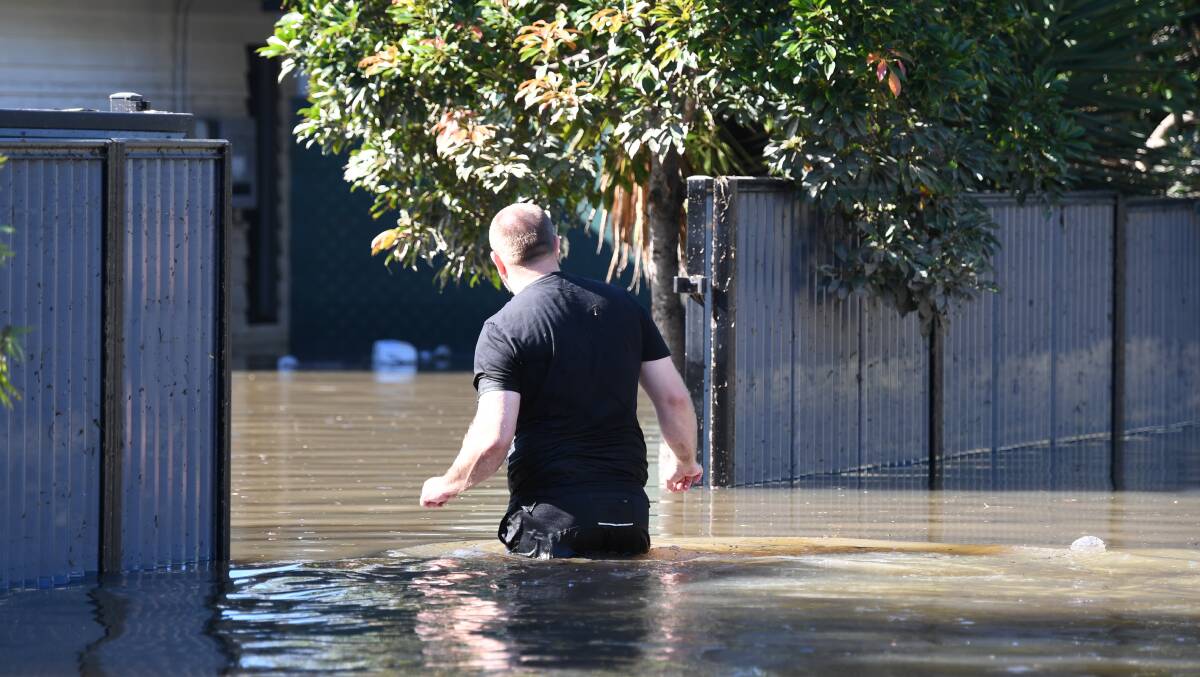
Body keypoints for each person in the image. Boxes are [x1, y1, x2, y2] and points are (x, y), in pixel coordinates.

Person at [418, 203, 703, 558]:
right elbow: (674, 399)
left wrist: (447, 484)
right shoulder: (625, 307)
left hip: (549, 524)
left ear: (499, 263)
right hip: (629, 520)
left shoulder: (502, 330)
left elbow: (494, 439)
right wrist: (686, 461)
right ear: (557, 245)